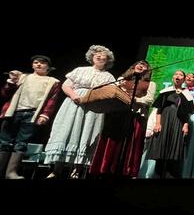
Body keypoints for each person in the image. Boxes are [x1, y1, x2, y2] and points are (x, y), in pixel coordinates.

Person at [44, 45, 115, 179]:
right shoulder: (81, 70)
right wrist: (73, 95)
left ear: (107, 60)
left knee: (88, 133)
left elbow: (109, 94)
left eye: (103, 55)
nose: (99, 56)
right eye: (97, 54)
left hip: (94, 107)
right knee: (67, 131)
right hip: (74, 104)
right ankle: (57, 170)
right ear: (92, 57)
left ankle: (77, 170)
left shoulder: (109, 77)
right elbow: (66, 85)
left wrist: (95, 98)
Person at [89, 60, 156, 178]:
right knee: (112, 142)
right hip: (118, 113)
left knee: (131, 143)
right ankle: (105, 169)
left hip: (136, 115)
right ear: (133, 67)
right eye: (138, 64)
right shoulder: (122, 79)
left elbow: (149, 99)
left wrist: (133, 99)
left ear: (147, 70)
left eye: (144, 65)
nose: (141, 65)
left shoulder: (150, 83)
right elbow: (113, 92)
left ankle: (126, 171)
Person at [0, 55, 61, 179]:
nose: (38, 64)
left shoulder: (53, 81)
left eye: (42, 63)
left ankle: (11, 172)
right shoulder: (23, 77)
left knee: (21, 143)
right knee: (5, 142)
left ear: (48, 67)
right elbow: (5, 94)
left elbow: (52, 101)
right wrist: (11, 82)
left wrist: (45, 115)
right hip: (14, 113)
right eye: (36, 62)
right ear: (32, 65)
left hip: (32, 114)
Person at [148, 70, 194, 178]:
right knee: (161, 147)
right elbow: (159, 109)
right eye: (176, 74)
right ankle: (158, 175)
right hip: (165, 121)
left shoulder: (187, 94)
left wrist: (186, 125)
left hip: (178, 122)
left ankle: (170, 176)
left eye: (180, 75)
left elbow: (188, 112)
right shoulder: (165, 91)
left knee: (174, 148)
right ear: (173, 77)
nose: (178, 76)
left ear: (183, 79)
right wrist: (158, 123)